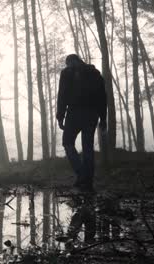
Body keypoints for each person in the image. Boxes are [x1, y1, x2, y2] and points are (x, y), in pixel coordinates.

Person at [56, 54, 107, 191]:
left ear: (71, 62)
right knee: (87, 147)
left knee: (68, 143)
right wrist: (103, 118)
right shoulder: (95, 73)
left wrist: (60, 117)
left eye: (68, 63)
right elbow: (102, 97)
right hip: (91, 114)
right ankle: (87, 181)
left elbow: (62, 95)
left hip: (74, 113)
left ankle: (82, 175)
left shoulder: (67, 73)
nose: (68, 66)